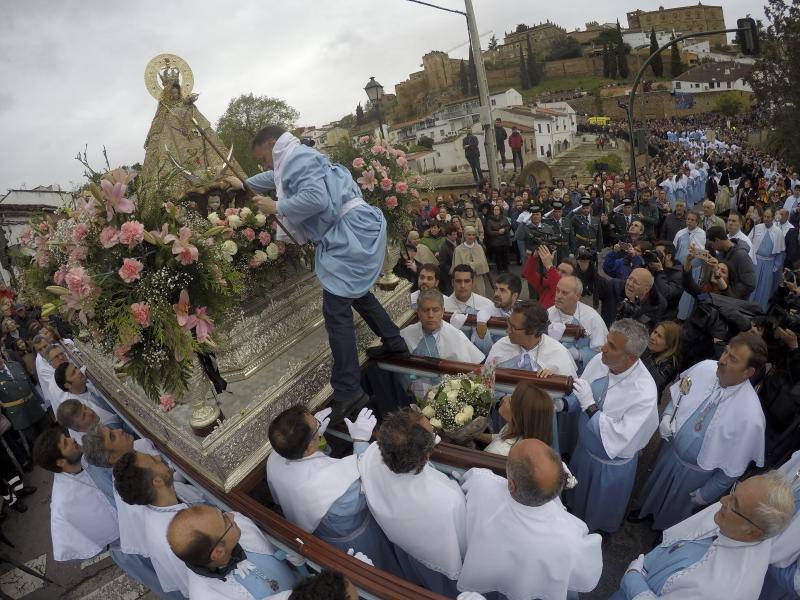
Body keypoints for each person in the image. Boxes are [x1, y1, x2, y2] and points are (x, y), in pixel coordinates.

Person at [245, 126, 408, 423]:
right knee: (357, 294)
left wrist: (276, 205)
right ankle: (394, 342)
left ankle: (348, 390)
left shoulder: (296, 158)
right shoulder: (294, 159)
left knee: (335, 311)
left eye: (263, 157)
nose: (264, 164)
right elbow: (273, 179)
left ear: (272, 143)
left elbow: (317, 200)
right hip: (352, 231)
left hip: (350, 235)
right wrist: (241, 184)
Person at [633, 333, 767, 531]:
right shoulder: (705, 368)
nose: (722, 360)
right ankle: (646, 511)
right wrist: (668, 416)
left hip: (696, 474)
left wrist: (706, 493)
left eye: (732, 359)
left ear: (748, 372)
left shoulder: (751, 416)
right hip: (669, 452)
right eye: (726, 352)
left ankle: (664, 531)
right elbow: (680, 396)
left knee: (677, 511)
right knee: (655, 488)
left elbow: (733, 467)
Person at [611, 472, 794, 600]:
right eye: (734, 491)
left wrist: (633, 577)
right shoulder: (740, 521)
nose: (723, 500)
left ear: (753, 532)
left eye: (734, 504)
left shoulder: (724, 592)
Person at [457, 439, 602, 599]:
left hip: (489, 582)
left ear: (511, 485)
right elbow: (588, 574)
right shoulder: (570, 535)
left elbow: (468, 481)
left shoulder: (482, 485)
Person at [265, 405, 400, 574]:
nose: (318, 424)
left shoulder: (274, 460)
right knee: (382, 572)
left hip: (320, 535)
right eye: (316, 427)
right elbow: (370, 488)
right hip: (356, 540)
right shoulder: (334, 484)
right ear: (308, 447)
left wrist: (315, 434)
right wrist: (360, 442)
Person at [564, 319, 659, 533]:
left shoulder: (644, 393)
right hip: (585, 450)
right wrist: (561, 404)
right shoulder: (601, 360)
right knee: (576, 498)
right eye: (607, 341)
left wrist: (590, 406)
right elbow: (581, 391)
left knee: (598, 508)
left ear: (631, 357)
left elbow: (616, 437)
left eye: (612, 347)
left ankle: (594, 534)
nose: (603, 349)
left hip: (607, 465)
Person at [359, 408, 467, 596]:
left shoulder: (371, 457)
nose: (433, 430)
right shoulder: (448, 498)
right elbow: (462, 541)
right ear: (425, 456)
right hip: (440, 558)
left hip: (404, 546)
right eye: (430, 433)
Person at [113, 449, 209, 598]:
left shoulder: (164, 501)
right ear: (157, 481)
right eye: (154, 460)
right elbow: (196, 584)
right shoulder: (173, 538)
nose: (158, 456)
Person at [167, 505, 299, 600]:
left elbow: (272, 541)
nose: (232, 515)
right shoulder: (207, 596)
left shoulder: (239, 523)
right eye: (225, 521)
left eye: (222, 513)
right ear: (218, 553)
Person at [485, 299, 577, 379]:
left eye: (513, 328)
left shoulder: (559, 354)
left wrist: (552, 380)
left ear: (532, 331)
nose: (507, 330)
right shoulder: (501, 345)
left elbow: (571, 395)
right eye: (508, 323)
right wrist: (502, 397)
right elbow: (484, 384)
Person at [400, 289, 484, 362]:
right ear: (418, 312)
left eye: (435, 310)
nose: (430, 315)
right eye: (425, 310)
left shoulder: (456, 335)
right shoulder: (406, 333)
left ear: (443, 311)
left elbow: (473, 365)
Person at [547, 275, 608, 374]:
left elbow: (601, 353)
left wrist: (579, 354)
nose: (558, 296)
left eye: (564, 293)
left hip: (582, 374)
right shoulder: (548, 314)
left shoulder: (592, 318)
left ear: (578, 296)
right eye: (557, 291)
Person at [760, 449, 800, 598]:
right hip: (746, 540)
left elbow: (796, 583)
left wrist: (764, 558)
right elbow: (771, 482)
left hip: (772, 581)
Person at [482, 382, 555, 455]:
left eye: (510, 400)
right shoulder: (517, 428)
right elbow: (500, 437)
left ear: (519, 415)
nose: (504, 398)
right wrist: (476, 435)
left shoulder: (495, 451)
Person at [0, 349, 48, 445]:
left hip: (35, 406)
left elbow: (29, 384)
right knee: (37, 443)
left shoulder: (15, 365)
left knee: (49, 433)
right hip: (20, 416)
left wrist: (41, 401)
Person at [597, 267, 667, 328]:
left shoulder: (657, 305)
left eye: (636, 283)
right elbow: (596, 282)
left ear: (646, 290)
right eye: (629, 279)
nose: (630, 284)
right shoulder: (614, 286)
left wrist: (636, 314)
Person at [472, 273, 521, 354]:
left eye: (502, 290)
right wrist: (481, 322)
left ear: (514, 296)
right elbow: (485, 351)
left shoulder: (526, 311)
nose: (496, 294)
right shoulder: (486, 311)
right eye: (496, 289)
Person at [706, 225, 756, 299]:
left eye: (711, 244)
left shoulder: (741, 256)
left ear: (717, 240)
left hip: (734, 302)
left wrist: (728, 292)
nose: (712, 247)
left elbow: (750, 284)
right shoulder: (721, 252)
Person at [749, 209, 786, 310]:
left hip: (769, 264)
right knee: (753, 285)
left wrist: (775, 267)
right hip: (756, 262)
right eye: (764, 216)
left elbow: (780, 253)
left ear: (773, 218)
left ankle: (760, 309)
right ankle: (748, 306)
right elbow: (749, 244)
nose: (766, 219)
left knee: (764, 288)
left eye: (768, 217)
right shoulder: (757, 228)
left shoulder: (778, 232)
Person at [673, 211, 707, 320]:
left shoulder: (702, 233)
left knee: (688, 293)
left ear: (697, 222)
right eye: (688, 219)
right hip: (679, 268)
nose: (690, 222)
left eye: (692, 220)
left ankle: (685, 316)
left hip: (694, 269)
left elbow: (702, 252)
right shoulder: (680, 233)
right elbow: (675, 249)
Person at [640, 321, 681, 397]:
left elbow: (651, 380)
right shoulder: (649, 347)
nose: (652, 337)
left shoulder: (669, 365)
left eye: (659, 336)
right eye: (655, 332)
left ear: (668, 344)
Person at [56, 398, 121, 443]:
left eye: (85, 408)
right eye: (84, 416)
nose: (90, 412)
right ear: (78, 429)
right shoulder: (101, 444)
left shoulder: (96, 410)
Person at [451, 227, 492, 298]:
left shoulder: (479, 248)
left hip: (478, 278)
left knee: (479, 298)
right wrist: (474, 264)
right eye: (469, 235)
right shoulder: (458, 249)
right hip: (464, 280)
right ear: (465, 236)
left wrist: (469, 264)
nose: (471, 237)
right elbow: (458, 266)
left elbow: (482, 263)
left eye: (473, 235)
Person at [486, 204, 510, 273]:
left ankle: (506, 268)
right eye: (495, 210)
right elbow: (489, 232)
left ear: (500, 211)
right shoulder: (490, 221)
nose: (496, 211)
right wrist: (498, 232)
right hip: (495, 242)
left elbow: (508, 227)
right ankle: (500, 269)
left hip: (504, 241)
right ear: (493, 211)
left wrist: (504, 230)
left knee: (505, 256)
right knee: (498, 257)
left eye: (497, 209)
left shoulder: (504, 218)